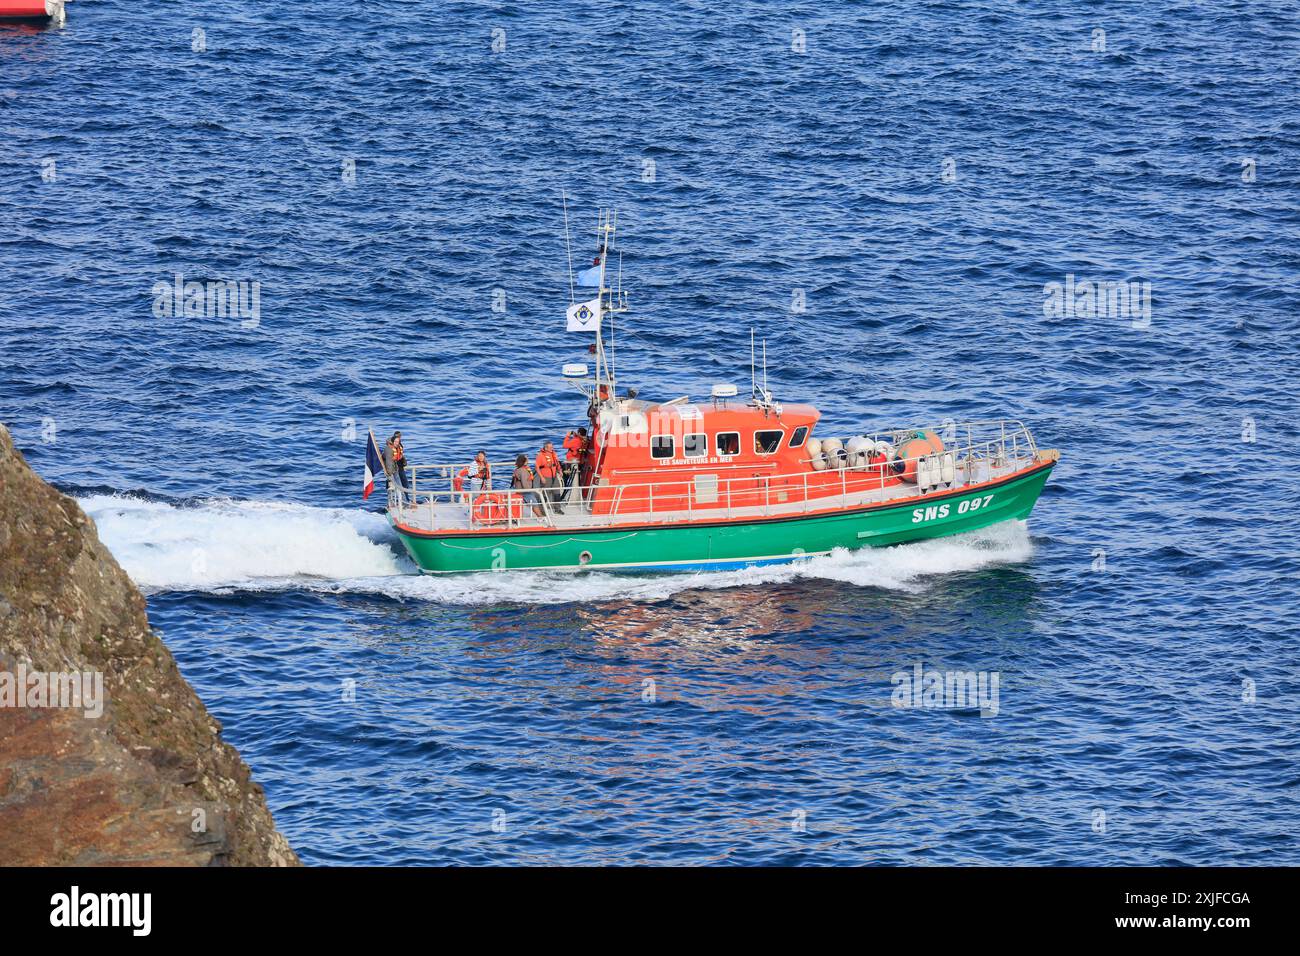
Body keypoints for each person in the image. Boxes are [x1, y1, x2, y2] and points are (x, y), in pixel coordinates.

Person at [511, 453, 545, 519]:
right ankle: (540, 517)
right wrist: (531, 490)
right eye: (527, 459)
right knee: (534, 503)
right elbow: (524, 484)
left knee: (534, 501)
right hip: (524, 492)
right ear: (523, 461)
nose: (528, 460)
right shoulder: (522, 471)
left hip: (521, 490)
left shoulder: (520, 469)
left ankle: (540, 516)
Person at [536, 440, 563, 515]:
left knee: (557, 493)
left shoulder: (554, 454)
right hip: (546, 477)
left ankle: (557, 509)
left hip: (554, 477)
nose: (552, 448)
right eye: (550, 447)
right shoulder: (540, 455)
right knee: (544, 494)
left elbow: (557, 463)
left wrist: (560, 470)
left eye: (552, 447)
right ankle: (542, 510)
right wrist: (541, 477)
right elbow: (537, 467)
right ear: (546, 447)